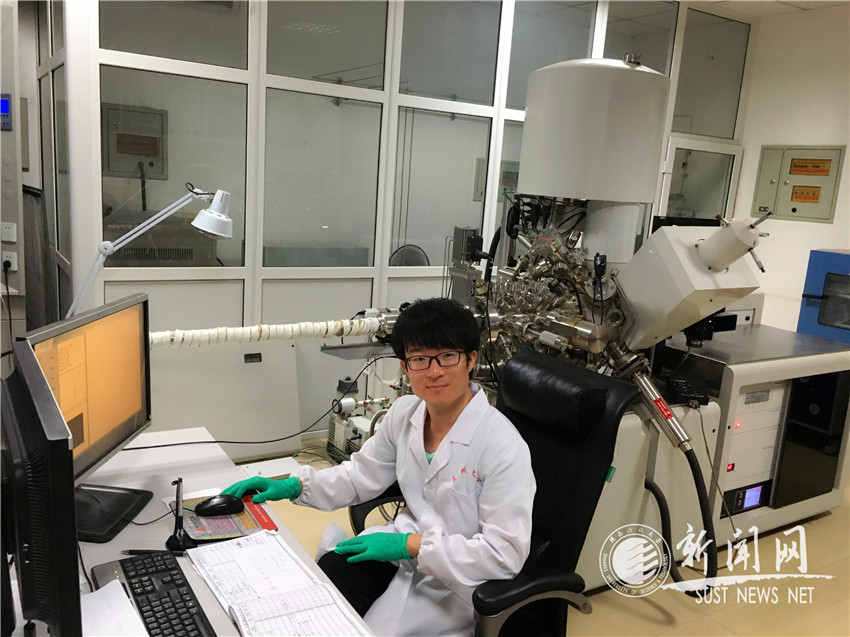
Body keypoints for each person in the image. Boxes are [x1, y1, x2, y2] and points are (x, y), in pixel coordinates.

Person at [222, 297, 536, 636]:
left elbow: (505, 554)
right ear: (405, 367)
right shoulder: (404, 414)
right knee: (329, 578)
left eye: (447, 356)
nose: (434, 371)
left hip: (459, 580)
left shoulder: (502, 445)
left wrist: (411, 545)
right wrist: (294, 486)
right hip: (403, 551)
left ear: (471, 359)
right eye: (419, 359)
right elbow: (360, 475)